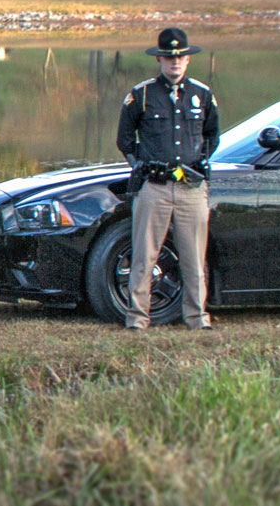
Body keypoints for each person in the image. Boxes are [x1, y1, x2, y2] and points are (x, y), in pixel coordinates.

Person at [116, 27, 218, 331]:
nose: (175, 63)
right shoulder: (142, 94)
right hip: (155, 187)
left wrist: (201, 161)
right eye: (169, 58)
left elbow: (212, 134)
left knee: (193, 259)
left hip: (190, 187)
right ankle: (137, 318)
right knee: (144, 256)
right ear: (159, 60)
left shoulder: (202, 94)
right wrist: (141, 164)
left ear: (187, 60)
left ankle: (197, 318)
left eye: (180, 57)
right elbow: (124, 138)